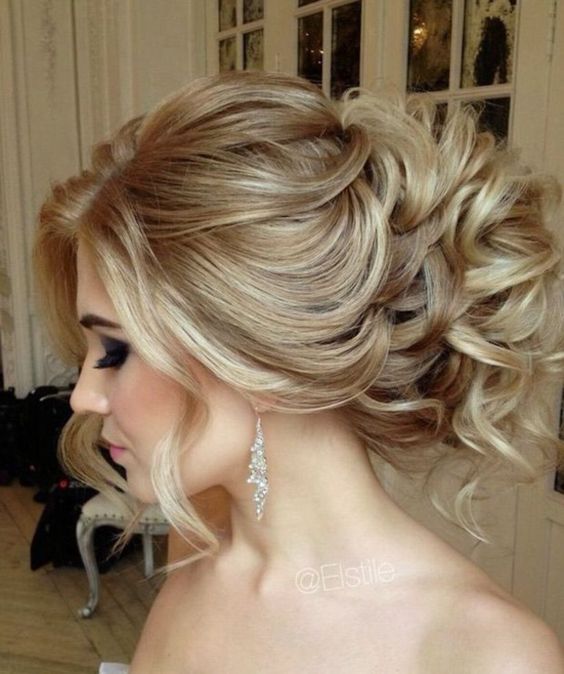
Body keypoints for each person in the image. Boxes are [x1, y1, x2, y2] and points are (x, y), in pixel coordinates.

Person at [34, 71, 564, 673]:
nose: (83, 397)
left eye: (115, 352)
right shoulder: (198, 541)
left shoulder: (486, 657)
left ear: (260, 359)